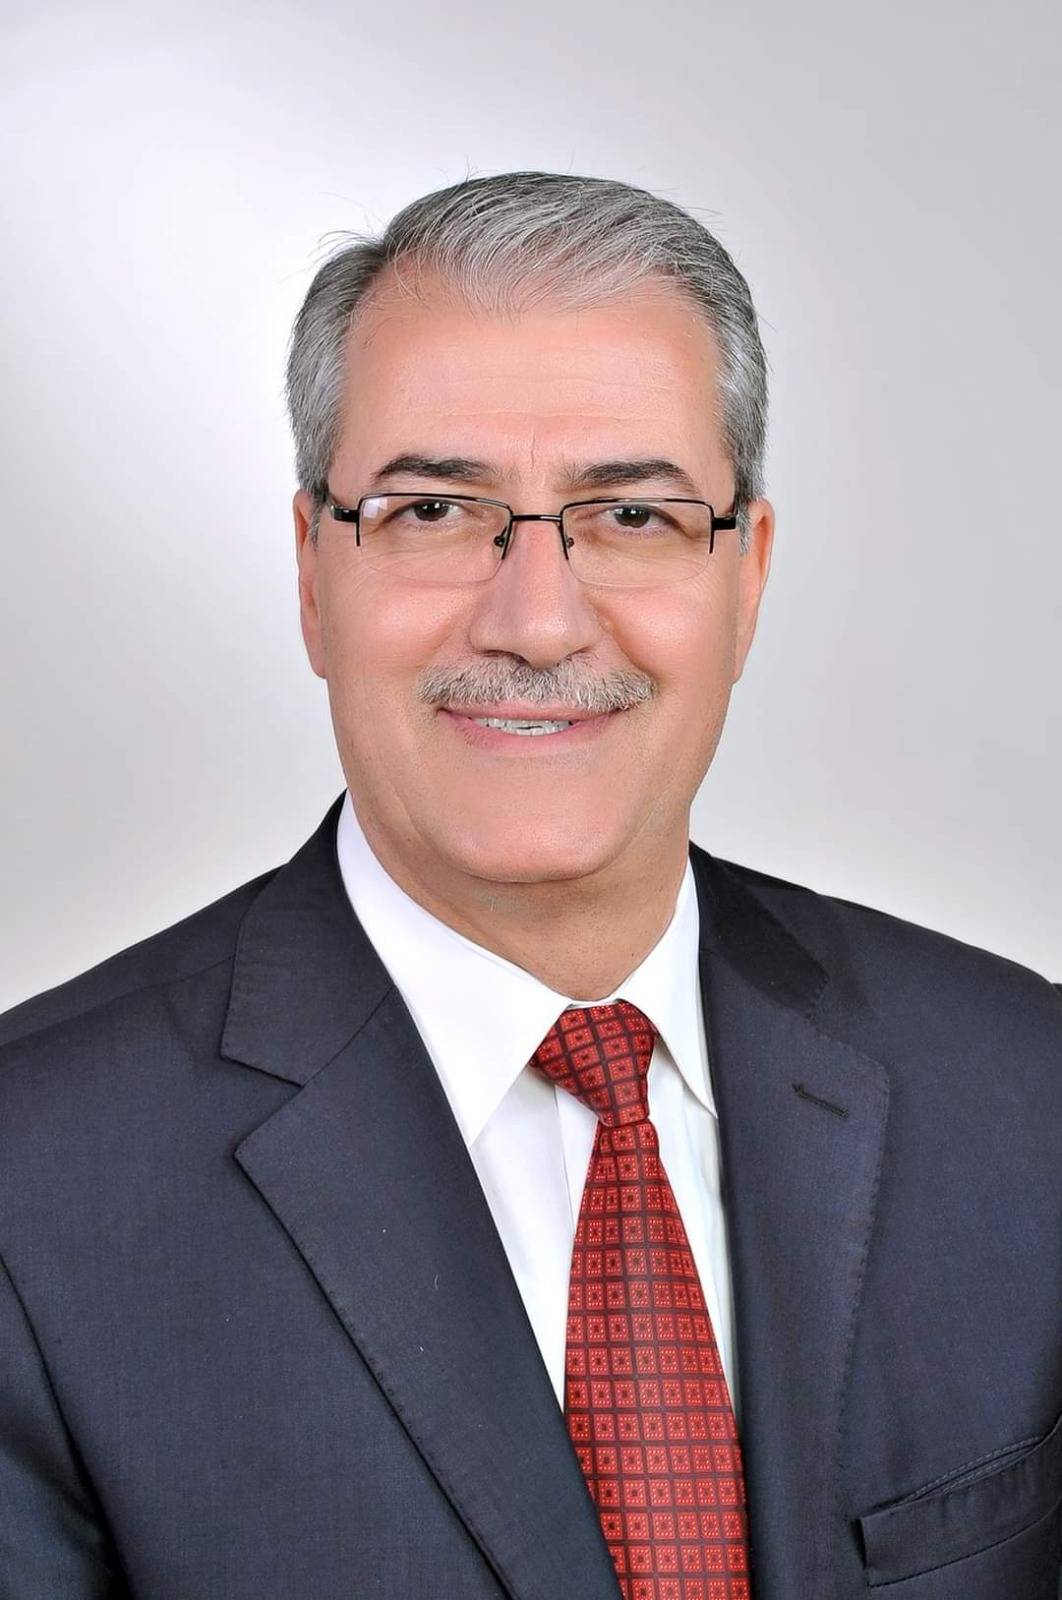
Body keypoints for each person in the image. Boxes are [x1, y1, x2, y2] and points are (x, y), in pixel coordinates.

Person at [0, 171, 1059, 1600]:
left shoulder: (1024, 1094)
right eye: (435, 509)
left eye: (631, 516)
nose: (539, 622)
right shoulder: (33, 1191)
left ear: (746, 577)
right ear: (312, 573)